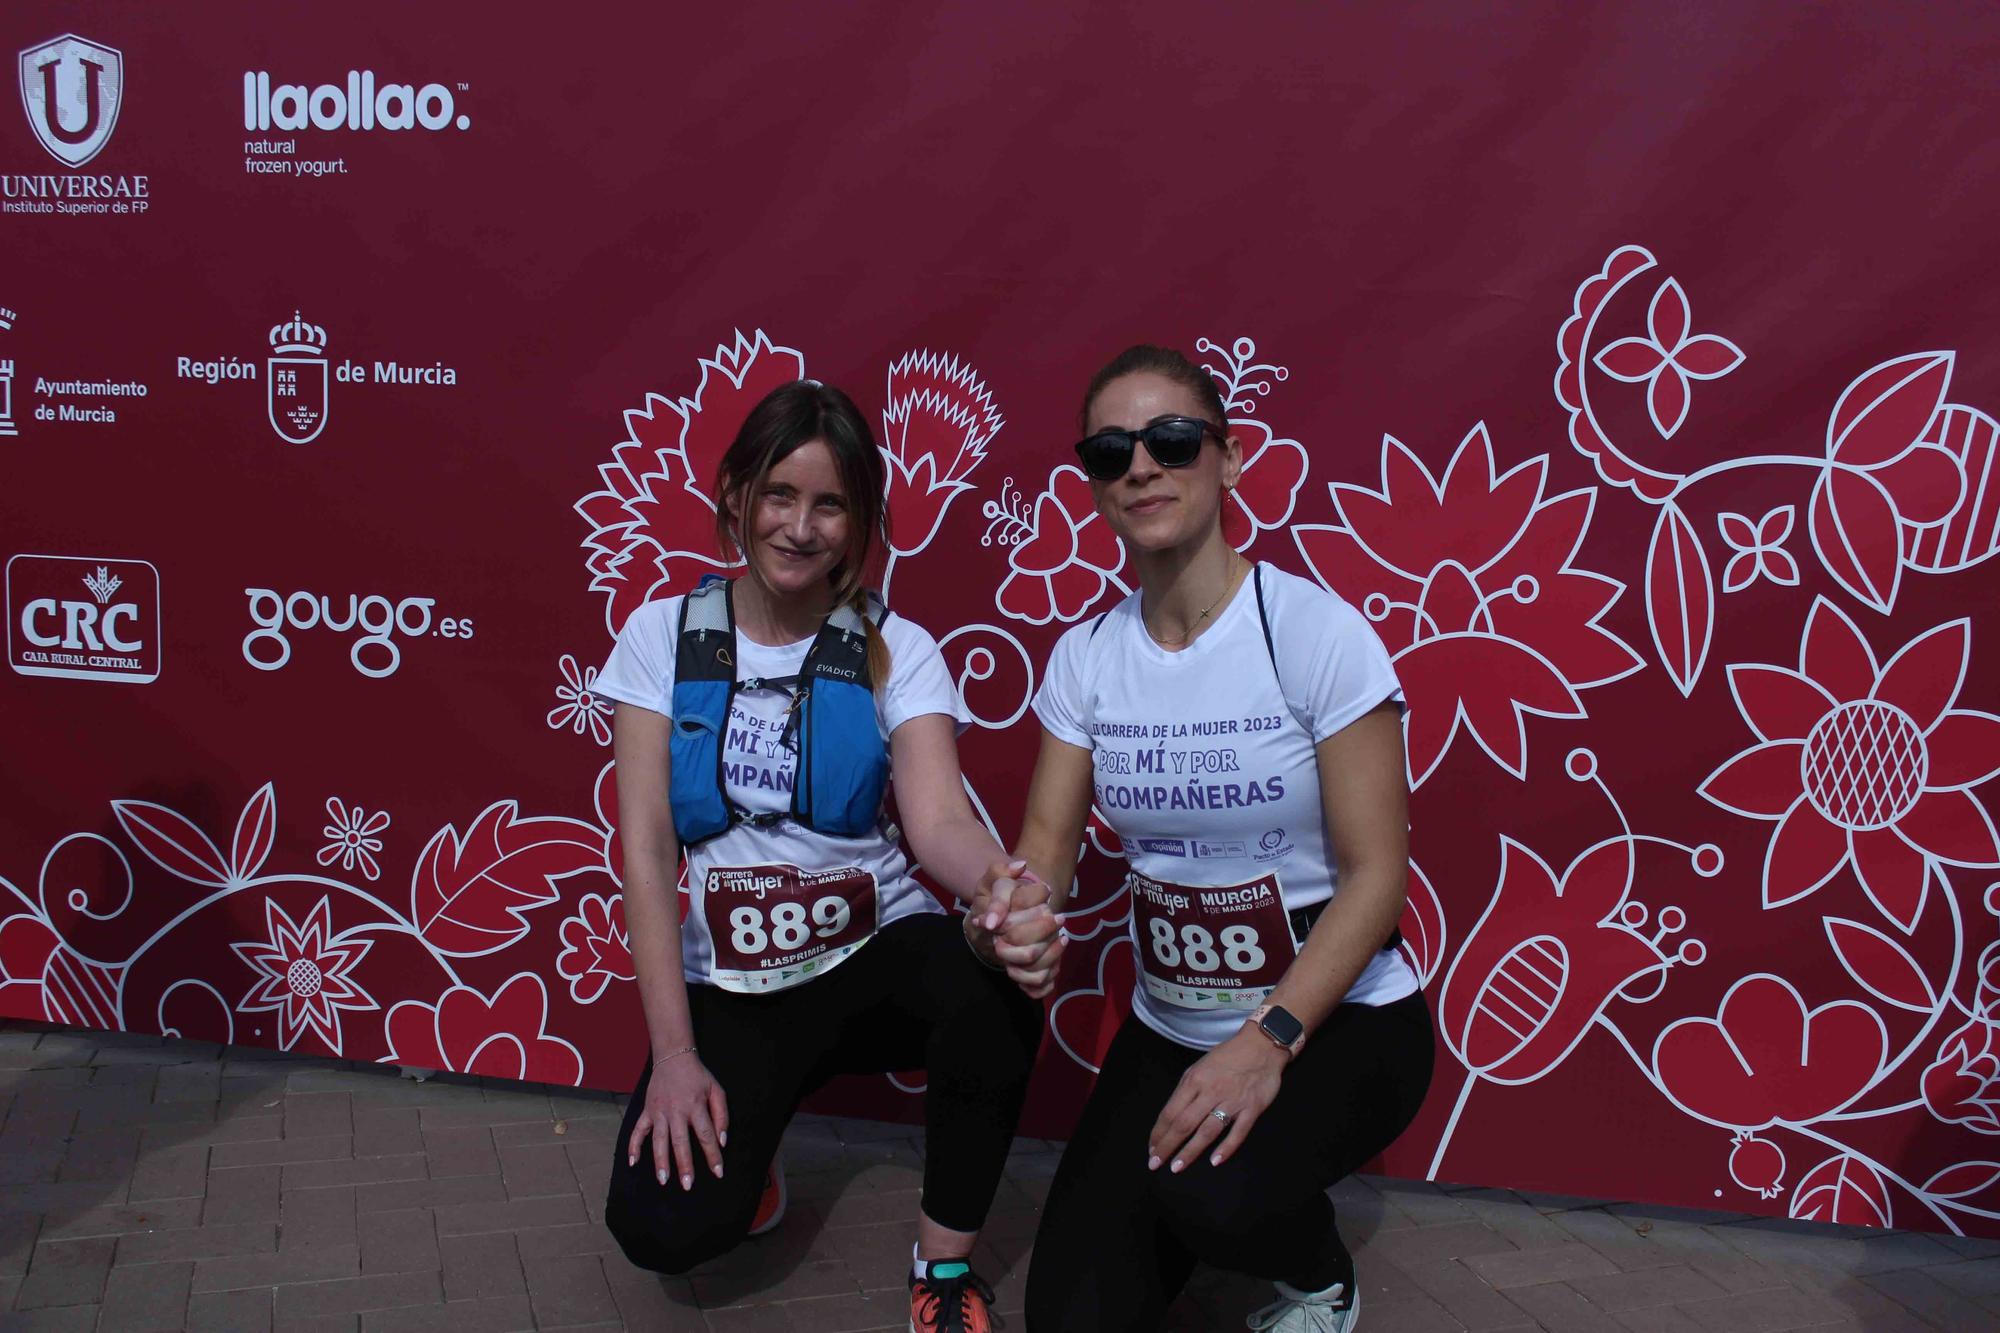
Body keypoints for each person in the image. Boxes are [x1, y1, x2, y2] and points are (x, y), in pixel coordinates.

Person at [595, 379, 1057, 1333]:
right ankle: (754, 1179)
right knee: (661, 1230)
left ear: (860, 522)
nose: (799, 527)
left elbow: (936, 823)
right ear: (734, 495)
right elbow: (645, 848)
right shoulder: (661, 635)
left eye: (830, 503)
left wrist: (999, 890)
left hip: (870, 956)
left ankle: (944, 1268)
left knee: (995, 979)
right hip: (736, 979)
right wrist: (676, 1055)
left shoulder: (899, 647)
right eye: (778, 494)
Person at [997, 346, 1434, 1332]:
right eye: (1110, 452)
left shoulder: (1314, 633)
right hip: (1170, 1027)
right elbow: (1046, 851)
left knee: (1215, 1194)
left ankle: (1316, 1270)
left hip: (1337, 1022)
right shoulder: (1087, 655)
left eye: (1171, 439)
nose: (1140, 467)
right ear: (1093, 483)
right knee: (1068, 1318)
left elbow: (1376, 878)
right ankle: (1208, 1195)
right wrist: (1014, 911)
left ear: (1227, 460)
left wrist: (1265, 1039)